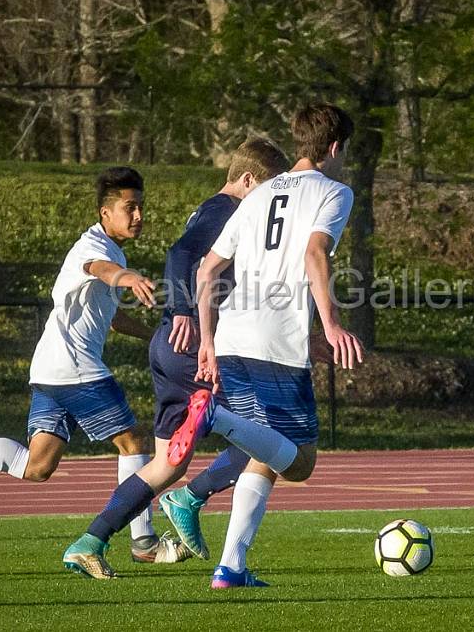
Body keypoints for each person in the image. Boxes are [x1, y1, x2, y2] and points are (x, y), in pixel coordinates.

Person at [0, 166, 180, 564]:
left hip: (49, 368)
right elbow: (100, 270)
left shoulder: (111, 249)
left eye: (141, 208)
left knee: (37, 466)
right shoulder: (92, 248)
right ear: (105, 213)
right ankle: (144, 543)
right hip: (74, 365)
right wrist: (128, 277)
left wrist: (154, 337)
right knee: (133, 442)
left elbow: (113, 318)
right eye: (129, 208)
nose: (139, 216)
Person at [60, 139, 293, 579]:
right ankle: (193, 498)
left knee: (166, 464)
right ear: (247, 180)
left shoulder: (214, 209)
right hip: (191, 342)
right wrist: (185, 309)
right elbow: (181, 254)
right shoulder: (228, 209)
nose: (271, 197)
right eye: (268, 187)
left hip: (169, 345)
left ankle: (88, 541)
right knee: (271, 433)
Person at [185, 102, 365, 588]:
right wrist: (330, 325)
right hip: (274, 347)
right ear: (333, 148)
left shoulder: (258, 195)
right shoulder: (335, 192)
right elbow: (313, 252)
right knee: (301, 463)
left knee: (266, 452)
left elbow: (206, 270)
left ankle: (231, 566)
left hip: (232, 339)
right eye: (344, 150)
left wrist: (207, 339)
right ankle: (213, 418)